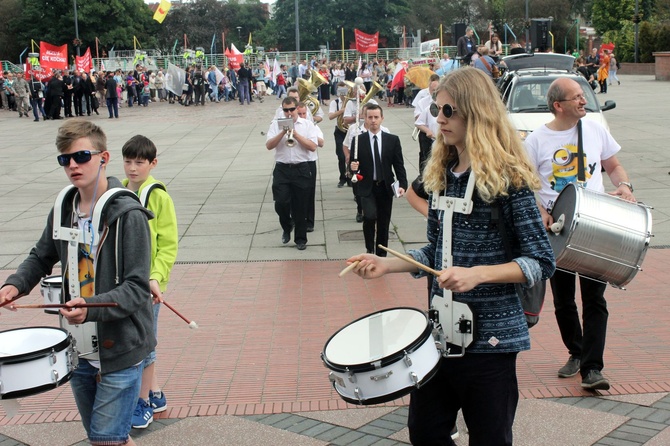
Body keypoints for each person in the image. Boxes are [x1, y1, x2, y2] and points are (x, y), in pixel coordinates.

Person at [346, 67, 555, 445]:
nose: (438, 119)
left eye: (448, 111)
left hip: (492, 341)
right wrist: (386, 264)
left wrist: (478, 274)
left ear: (476, 114)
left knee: (490, 438)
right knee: (424, 433)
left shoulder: (511, 180)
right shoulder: (442, 172)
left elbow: (541, 261)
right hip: (439, 337)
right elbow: (435, 251)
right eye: (437, 110)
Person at [0, 119, 155, 446]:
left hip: (121, 348)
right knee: (108, 438)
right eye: (65, 159)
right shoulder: (63, 207)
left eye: (82, 156)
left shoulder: (128, 214)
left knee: (105, 439)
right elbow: (41, 256)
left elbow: (137, 288)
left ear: (104, 157)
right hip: (77, 349)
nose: (73, 165)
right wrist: (14, 285)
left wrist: (91, 308)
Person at [525, 77, 635, 391]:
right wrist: (542, 213)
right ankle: (576, 350)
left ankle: (592, 368)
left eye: (582, 96)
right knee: (563, 300)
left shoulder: (596, 129)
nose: (583, 101)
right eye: (576, 97)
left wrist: (624, 185)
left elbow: (613, 166)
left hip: (594, 227)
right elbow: (525, 185)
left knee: (595, 299)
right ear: (558, 105)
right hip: (557, 231)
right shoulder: (536, 141)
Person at [121, 135, 178, 429]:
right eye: (128, 161)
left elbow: (168, 244)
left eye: (139, 162)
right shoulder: (117, 191)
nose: (133, 168)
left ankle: (142, 401)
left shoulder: (159, 196)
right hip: (124, 283)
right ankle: (155, 394)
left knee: (144, 344)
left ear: (152, 163)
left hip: (149, 285)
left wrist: (155, 276)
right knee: (139, 340)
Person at [349, 104, 407, 255]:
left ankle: (381, 253)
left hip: (385, 186)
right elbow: (353, 166)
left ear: (382, 118)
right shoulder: (358, 141)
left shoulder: (392, 140)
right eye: (370, 117)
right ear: (365, 119)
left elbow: (399, 165)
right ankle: (369, 248)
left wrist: (403, 184)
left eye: (376, 117)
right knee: (369, 216)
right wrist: (353, 167)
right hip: (367, 186)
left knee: (383, 221)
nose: (373, 121)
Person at [265, 97, 319, 250]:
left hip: (301, 168)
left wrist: (295, 135)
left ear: (297, 109)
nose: (289, 113)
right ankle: (287, 225)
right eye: (286, 110)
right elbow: (269, 145)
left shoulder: (307, 124)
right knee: (281, 202)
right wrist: (283, 132)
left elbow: (313, 146)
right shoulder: (276, 124)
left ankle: (301, 239)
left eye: (292, 110)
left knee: (300, 206)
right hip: (282, 168)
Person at [328, 81, 351, 188]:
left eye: (344, 90)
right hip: (339, 131)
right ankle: (342, 178)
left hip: (349, 131)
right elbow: (330, 116)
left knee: (351, 156)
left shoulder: (351, 102)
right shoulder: (335, 102)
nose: (343, 93)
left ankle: (350, 177)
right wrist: (342, 110)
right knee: (341, 156)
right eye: (340, 91)